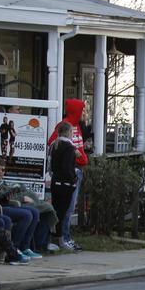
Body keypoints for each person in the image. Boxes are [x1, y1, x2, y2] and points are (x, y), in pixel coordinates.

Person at [48, 99, 89, 252]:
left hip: (75, 170)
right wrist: (74, 157)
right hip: (69, 173)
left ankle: (65, 236)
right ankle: (62, 237)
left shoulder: (77, 125)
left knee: (70, 208)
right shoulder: (64, 125)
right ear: (75, 111)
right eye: (82, 110)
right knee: (67, 208)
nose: (84, 114)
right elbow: (54, 142)